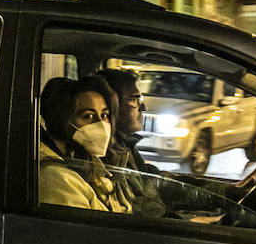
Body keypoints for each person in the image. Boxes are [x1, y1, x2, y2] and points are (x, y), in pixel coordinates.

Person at [37, 75, 132, 213]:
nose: (101, 124)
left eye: (104, 115)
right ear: (62, 119)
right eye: (88, 116)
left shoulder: (82, 161)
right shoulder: (57, 178)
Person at [95, 67, 168, 217]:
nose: (143, 107)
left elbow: (154, 179)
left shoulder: (124, 146)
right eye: (134, 100)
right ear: (112, 105)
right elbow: (138, 213)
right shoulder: (107, 155)